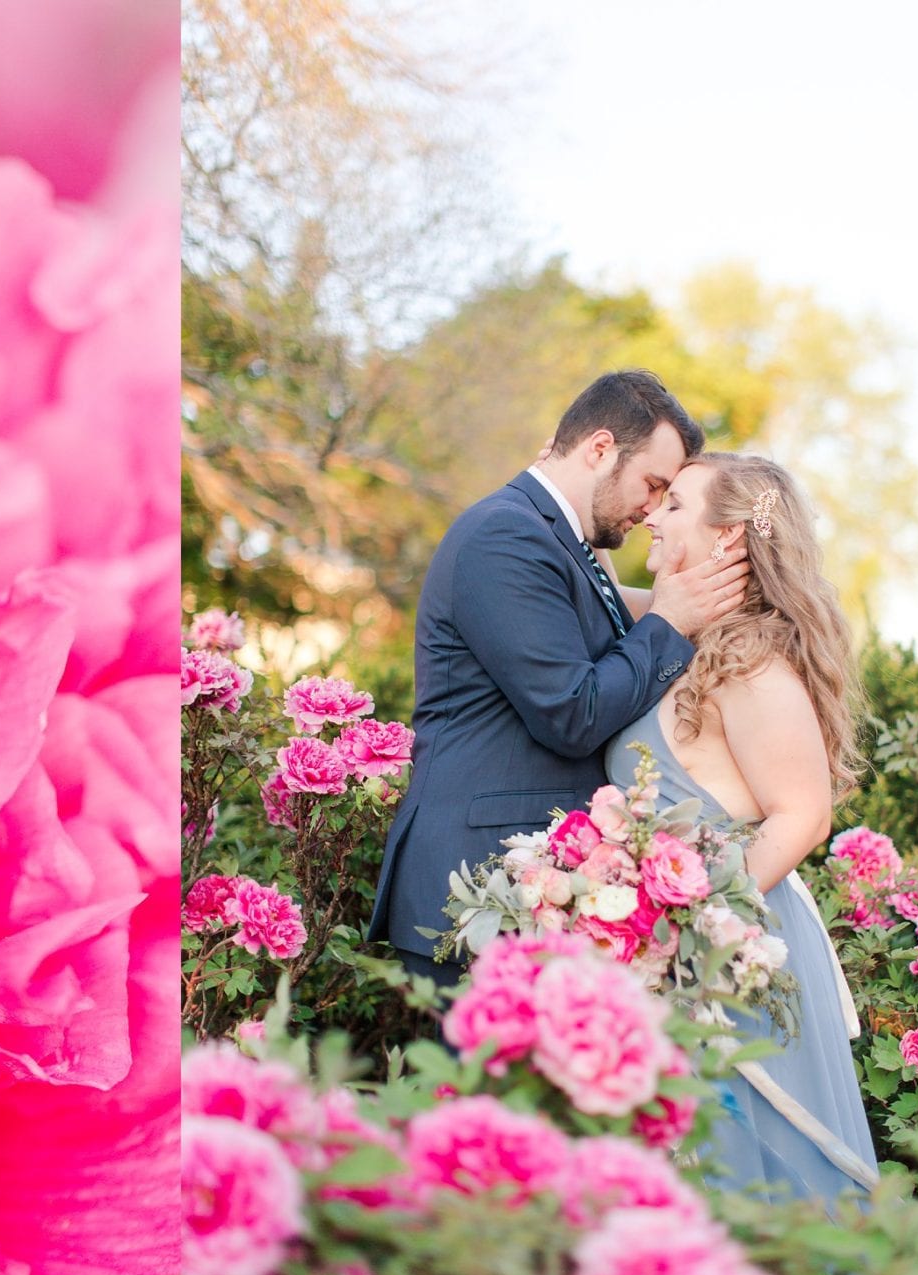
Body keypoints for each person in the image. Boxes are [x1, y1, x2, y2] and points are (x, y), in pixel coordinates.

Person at [367, 370, 749, 986]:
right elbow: (574, 712)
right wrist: (673, 616)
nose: (652, 508)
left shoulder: (557, 540)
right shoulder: (506, 535)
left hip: (523, 891)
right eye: (652, 485)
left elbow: (609, 623)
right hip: (476, 886)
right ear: (599, 449)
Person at [603, 452, 880, 1203]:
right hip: (669, 945)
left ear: (728, 538)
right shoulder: (677, 637)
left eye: (675, 504)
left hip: (731, 947)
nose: (652, 516)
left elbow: (804, 814)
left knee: (748, 1182)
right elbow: (582, 589)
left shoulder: (752, 664)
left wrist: (693, 922)